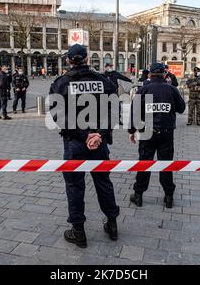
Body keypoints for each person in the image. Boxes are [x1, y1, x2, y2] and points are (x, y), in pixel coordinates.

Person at [49, 44, 120, 248]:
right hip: (99, 142)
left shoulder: (61, 83)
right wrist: (99, 135)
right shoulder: (103, 81)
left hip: (74, 143)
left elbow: (58, 116)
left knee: (74, 185)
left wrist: (84, 135)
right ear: (88, 59)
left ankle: (78, 232)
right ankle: (112, 224)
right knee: (103, 182)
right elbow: (114, 109)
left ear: (69, 60)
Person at [128, 63, 186, 209]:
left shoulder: (143, 89)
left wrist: (131, 131)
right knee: (165, 164)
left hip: (147, 133)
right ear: (164, 74)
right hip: (166, 133)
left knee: (144, 164)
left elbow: (134, 112)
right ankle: (168, 196)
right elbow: (181, 108)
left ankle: (139, 195)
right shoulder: (171, 89)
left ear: (150, 75)